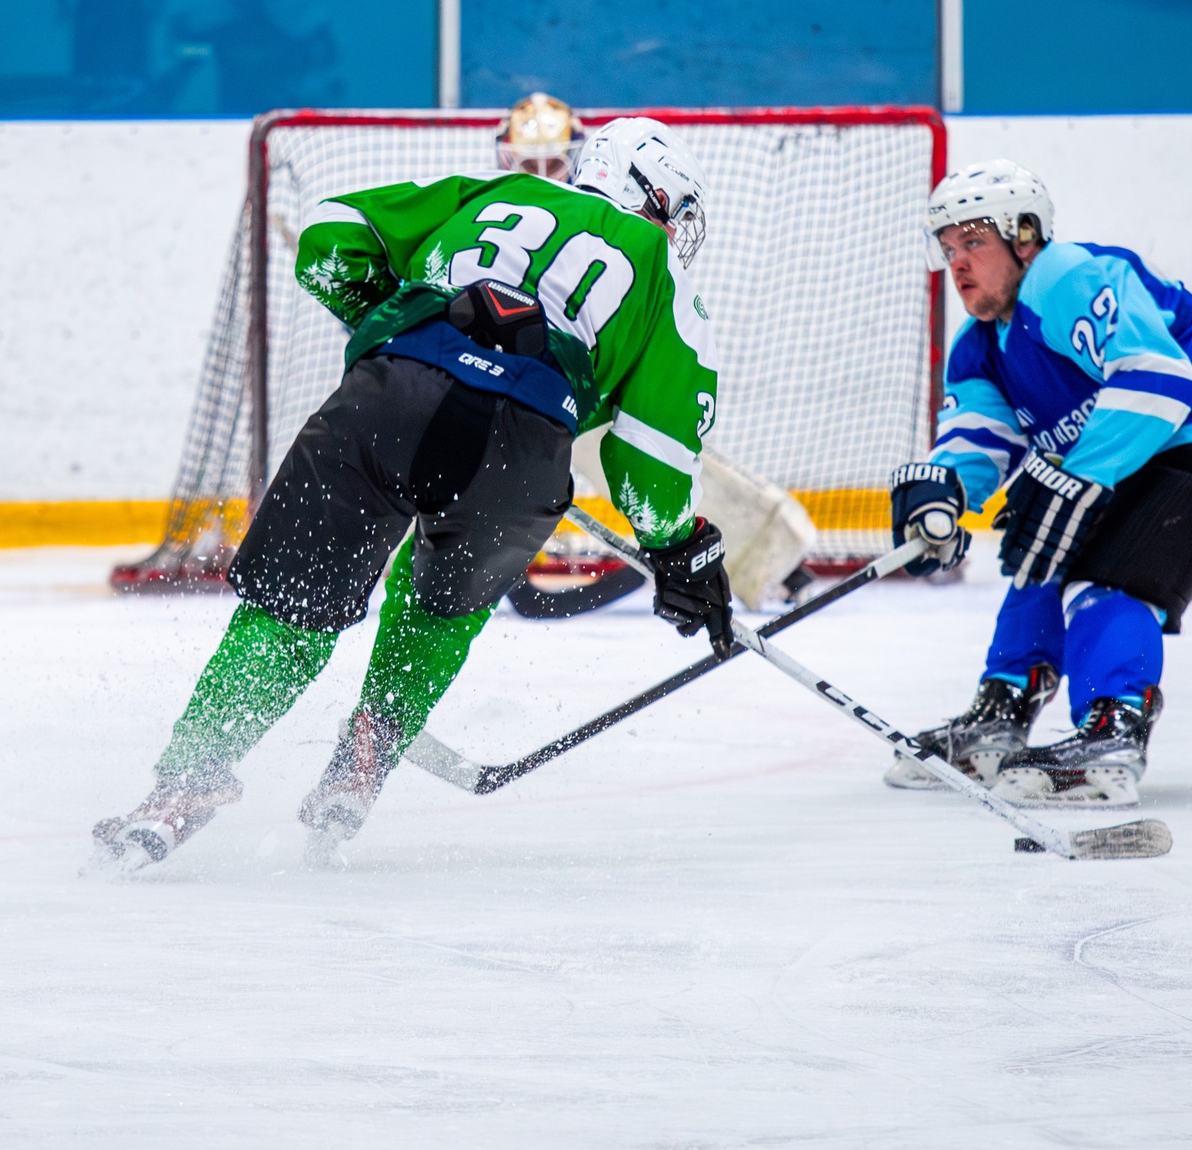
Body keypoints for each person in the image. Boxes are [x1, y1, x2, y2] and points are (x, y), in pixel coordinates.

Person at [95, 116, 726, 867]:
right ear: (647, 191)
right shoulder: (662, 274)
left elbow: (330, 236)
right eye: (673, 209)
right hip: (522, 450)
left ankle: (181, 789)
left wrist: (391, 326)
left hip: (386, 398)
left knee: (291, 615)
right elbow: (649, 462)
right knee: (437, 613)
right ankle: (366, 755)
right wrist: (676, 547)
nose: (672, 227)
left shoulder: (495, 192)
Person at [884, 161, 1192, 807]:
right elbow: (980, 439)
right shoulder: (981, 346)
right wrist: (942, 492)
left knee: (1108, 574)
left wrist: (1069, 475)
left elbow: (1157, 375)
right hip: (1180, 456)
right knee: (1045, 547)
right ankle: (1000, 715)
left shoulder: (1066, 277)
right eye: (949, 250)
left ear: (1025, 236)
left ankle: (1113, 731)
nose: (960, 264)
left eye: (974, 242)